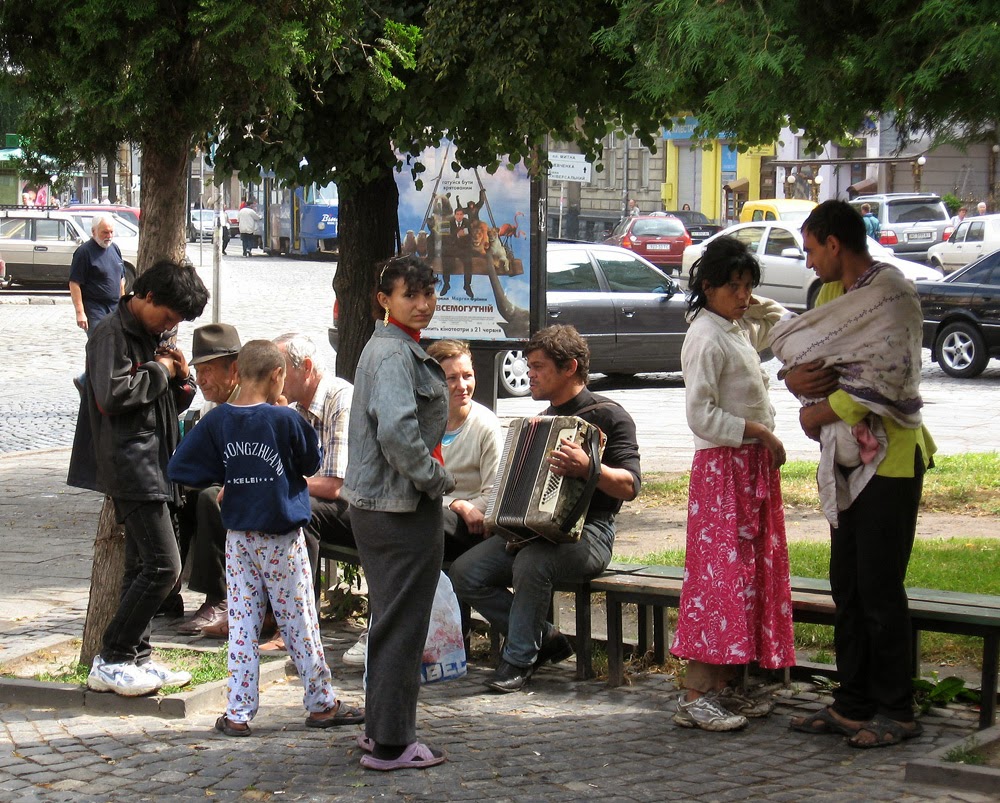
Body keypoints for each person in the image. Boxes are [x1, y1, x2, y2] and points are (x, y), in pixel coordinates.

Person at [778, 200, 934, 749]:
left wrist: (820, 412)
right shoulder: (829, 297)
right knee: (847, 585)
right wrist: (795, 382)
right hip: (845, 462)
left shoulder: (894, 295)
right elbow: (810, 361)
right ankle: (853, 701)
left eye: (811, 249)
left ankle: (897, 709)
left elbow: (891, 379)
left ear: (834, 243)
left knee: (879, 588)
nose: (808, 261)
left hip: (892, 460)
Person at [167, 340, 364, 737]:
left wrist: (230, 474)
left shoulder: (218, 420)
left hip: (238, 538)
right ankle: (322, 704)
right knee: (300, 621)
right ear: (277, 375)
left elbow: (180, 466)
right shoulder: (285, 419)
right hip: (281, 539)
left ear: (237, 373)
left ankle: (238, 712)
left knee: (242, 624)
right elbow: (311, 461)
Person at [449, 324, 642, 694]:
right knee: (466, 571)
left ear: (569, 367)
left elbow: (631, 486)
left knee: (532, 562)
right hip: (534, 533)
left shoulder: (610, 416)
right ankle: (545, 637)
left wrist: (591, 468)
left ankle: (519, 659)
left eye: (537, 367)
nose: (529, 375)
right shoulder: (541, 420)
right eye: (529, 366)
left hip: (591, 532)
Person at [669, 236, 794, 732]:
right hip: (723, 471)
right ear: (708, 286)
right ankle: (695, 694)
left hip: (748, 469)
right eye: (733, 287)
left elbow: (781, 320)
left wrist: (751, 300)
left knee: (744, 576)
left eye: (747, 287)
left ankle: (723, 687)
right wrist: (758, 431)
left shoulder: (735, 326)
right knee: (718, 579)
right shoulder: (705, 336)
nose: (743, 296)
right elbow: (700, 415)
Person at [67, 259, 208, 697]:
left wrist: (182, 379)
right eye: (168, 316)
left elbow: (164, 403)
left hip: (157, 461)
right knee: (166, 567)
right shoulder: (110, 333)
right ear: (147, 297)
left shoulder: (151, 335)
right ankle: (112, 656)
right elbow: (112, 396)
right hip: (131, 464)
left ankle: (137, 658)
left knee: (141, 568)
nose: (170, 326)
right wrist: (161, 371)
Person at [342, 254, 454, 771]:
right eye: (411, 295)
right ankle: (392, 743)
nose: (423, 304)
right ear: (385, 300)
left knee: (391, 621)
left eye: (429, 294)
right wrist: (435, 480)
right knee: (402, 626)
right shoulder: (392, 352)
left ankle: (380, 730)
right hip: (400, 507)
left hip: (386, 505)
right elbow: (397, 433)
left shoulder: (393, 346)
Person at [173, 323, 243, 636]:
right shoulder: (211, 407)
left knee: (209, 498)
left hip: (256, 491)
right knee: (177, 495)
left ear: (234, 370)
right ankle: (166, 588)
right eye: (198, 371)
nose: (201, 379)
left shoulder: (253, 401)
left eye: (209, 370)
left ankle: (220, 597)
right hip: (226, 485)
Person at [425, 339, 503, 562]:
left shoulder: (485, 424)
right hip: (433, 512)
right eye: (451, 378)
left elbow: (494, 496)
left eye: (467, 376)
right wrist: (454, 503)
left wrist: (462, 507)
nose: (462, 386)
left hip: (471, 525)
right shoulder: (421, 421)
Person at [69, 214, 126, 335]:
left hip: (115, 308)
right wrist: (80, 312)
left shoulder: (115, 249)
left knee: (117, 342)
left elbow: (121, 280)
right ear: (94, 231)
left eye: (111, 232)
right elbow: (74, 283)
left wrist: (123, 306)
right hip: (94, 308)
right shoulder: (84, 252)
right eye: (105, 232)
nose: (109, 236)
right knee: (100, 341)